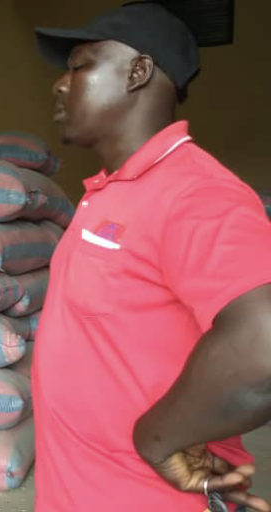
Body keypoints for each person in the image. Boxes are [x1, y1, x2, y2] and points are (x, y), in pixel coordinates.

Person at [31, 2, 271, 510]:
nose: (59, 84)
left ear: (138, 71)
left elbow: (263, 342)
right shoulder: (108, 193)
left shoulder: (195, 192)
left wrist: (156, 439)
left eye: (78, 66)